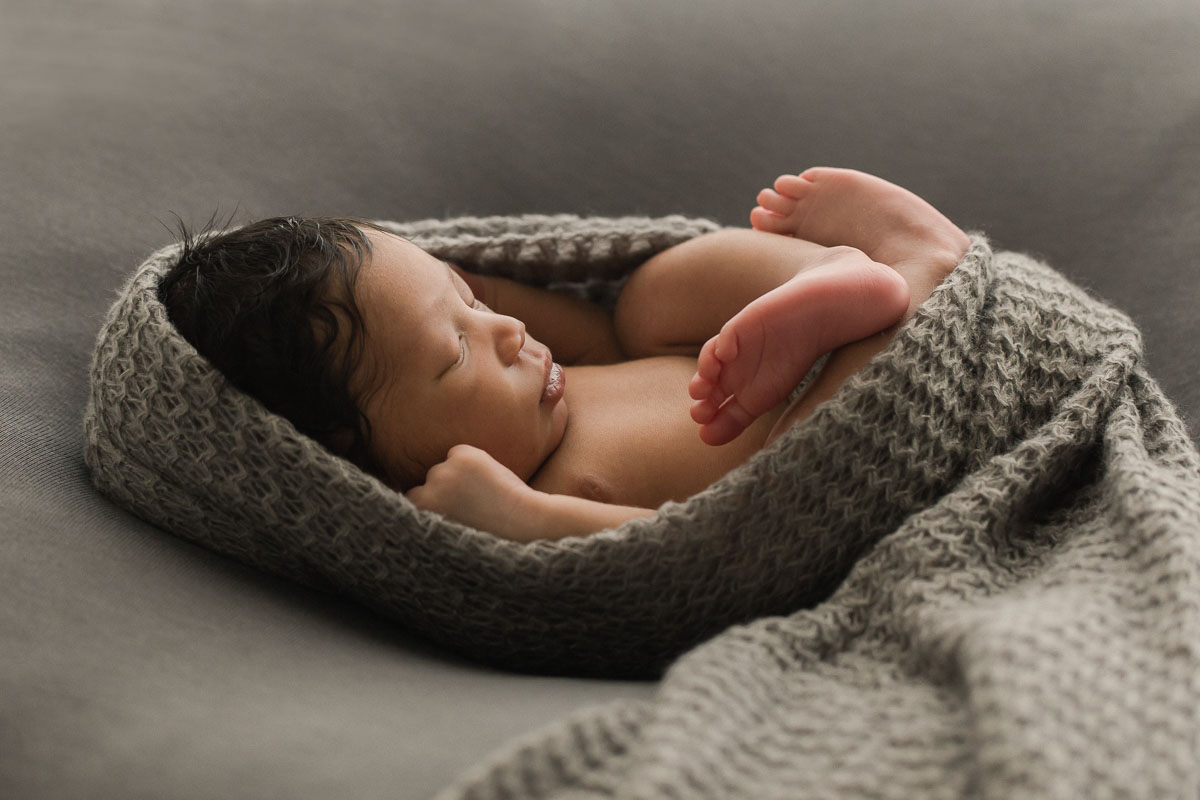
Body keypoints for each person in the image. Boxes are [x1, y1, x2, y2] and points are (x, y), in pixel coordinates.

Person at [159, 168, 969, 541]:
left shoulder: (555, 371)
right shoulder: (532, 497)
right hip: (833, 449)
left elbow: (568, 302)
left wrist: (463, 293)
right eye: (453, 355)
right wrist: (529, 519)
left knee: (646, 300)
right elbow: (684, 557)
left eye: (475, 303)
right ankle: (921, 270)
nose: (507, 332)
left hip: (770, 348)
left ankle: (833, 276)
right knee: (798, 474)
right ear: (354, 458)